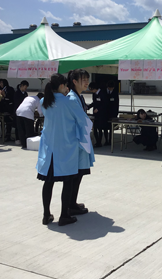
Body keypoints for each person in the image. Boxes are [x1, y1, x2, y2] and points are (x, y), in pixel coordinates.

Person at [36, 73, 93, 226]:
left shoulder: (44, 101)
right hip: (66, 148)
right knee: (68, 182)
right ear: (62, 86)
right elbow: (83, 120)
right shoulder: (69, 102)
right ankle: (64, 215)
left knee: (48, 183)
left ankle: (46, 214)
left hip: (49, 150)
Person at [67, 69, 95, 215]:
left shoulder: (78, 97)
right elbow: (81, 120)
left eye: (87, 79)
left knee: (78, 174)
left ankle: (72, 203)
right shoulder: (72, 98)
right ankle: (71, 205)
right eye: (83, 79)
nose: (86, 82)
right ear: (74, 82)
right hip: (77, 142)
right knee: (75, 175)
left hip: (81, 140)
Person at [88, 82, 108, 147]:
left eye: (92, 89)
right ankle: (97, 141)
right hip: (95, 114)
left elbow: (105, 104)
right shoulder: (94, 94)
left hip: (102, 114)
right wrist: (88, 106)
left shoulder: (103, 93)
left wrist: (98, 109)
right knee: (95, 128)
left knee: (100, 128)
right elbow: (94, 102)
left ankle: (99, 142)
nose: (91, 91)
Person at [13, 80, 29, 145]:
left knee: (23, 125)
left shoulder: (25, 94)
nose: (25, 88)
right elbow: (16, 103)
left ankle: (23, 138)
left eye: (26, 87)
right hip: (17, 111)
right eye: (25, 87)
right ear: (21, 85)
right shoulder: (16, 93)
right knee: (17, 126)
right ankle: (17, 138)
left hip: (24, 112)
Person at [105, 80, 119, 146]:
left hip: (112, 112)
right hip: (105, 112)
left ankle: (110, 140)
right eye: (109, 88)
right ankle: (106, 140)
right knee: (105, 127)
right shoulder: (104, 92)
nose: (111, 89)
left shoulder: (115, 93)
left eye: (112, 88)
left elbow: (117, 104)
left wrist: (116, 113)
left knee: (111, 128)